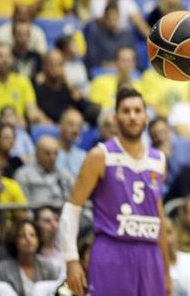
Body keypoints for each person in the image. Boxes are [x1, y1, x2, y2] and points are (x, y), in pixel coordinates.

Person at [58, 87, 171, 296]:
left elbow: (159, 217)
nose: (132, 116)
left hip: (150, 254)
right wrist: (71, 259)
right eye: (126, 111)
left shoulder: (158, 160)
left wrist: (166, 271)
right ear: (115, 118)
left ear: (146, 117)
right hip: (112, 250)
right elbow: (72, 209)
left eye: (137, 111)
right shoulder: (100, 156)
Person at [0, 219, 59, 295]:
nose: (28, 239)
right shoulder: (4, 268)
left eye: (32, 235)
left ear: (38, 239)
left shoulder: (48, 267)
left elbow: (57, 291)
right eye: (22, 236)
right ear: (14, 241)